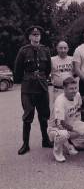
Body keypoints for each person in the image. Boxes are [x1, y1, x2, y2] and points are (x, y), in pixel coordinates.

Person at [14, 25, 52, 155]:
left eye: (38, 35)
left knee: (44, 115)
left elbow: (48, 69)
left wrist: (41, 78)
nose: (36, 37)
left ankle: (45, 140)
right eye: (34, 35)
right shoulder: (23, 51)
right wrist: (25, 80)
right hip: (28, 88)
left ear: (40, 37)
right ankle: (25, 144)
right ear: (30, 37)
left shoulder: (45, 50)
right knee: (28, 116)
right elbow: (18, 69)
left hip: (42, 87)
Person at [48, 77, 84, 162]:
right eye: (71, 88)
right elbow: (61, 123)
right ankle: (58, 152)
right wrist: (76, 130)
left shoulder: (77, 95)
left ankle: (71, 143)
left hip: (72, 122)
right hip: (56, 128)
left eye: (75, 88)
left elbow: (82, 99)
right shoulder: (60, 101)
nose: (74, 90)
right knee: (63, 134)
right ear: (64, 89)